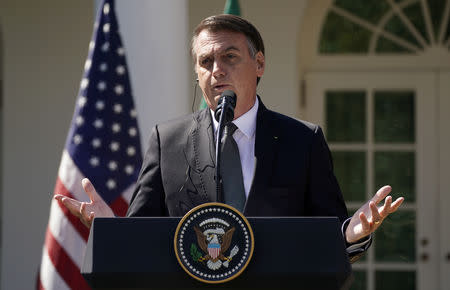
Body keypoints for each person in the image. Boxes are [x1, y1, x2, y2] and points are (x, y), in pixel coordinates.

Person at [56, 14, 403, 262]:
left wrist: (351, 235)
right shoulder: (168, 141)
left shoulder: (303, 140)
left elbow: (329, 235)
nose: (216, 70)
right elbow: (142, 239)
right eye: (205, 61)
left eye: (229, 57)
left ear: (260, 63)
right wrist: (110, 230)